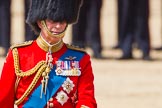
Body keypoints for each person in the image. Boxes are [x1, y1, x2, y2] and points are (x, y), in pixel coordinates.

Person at [0, 0, 97, 107]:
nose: (58, 26)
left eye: (62, 21)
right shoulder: (18, 55)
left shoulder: (81, 59)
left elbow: (87, 100)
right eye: (53, 20)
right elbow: (4, 101)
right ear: (40, 23)